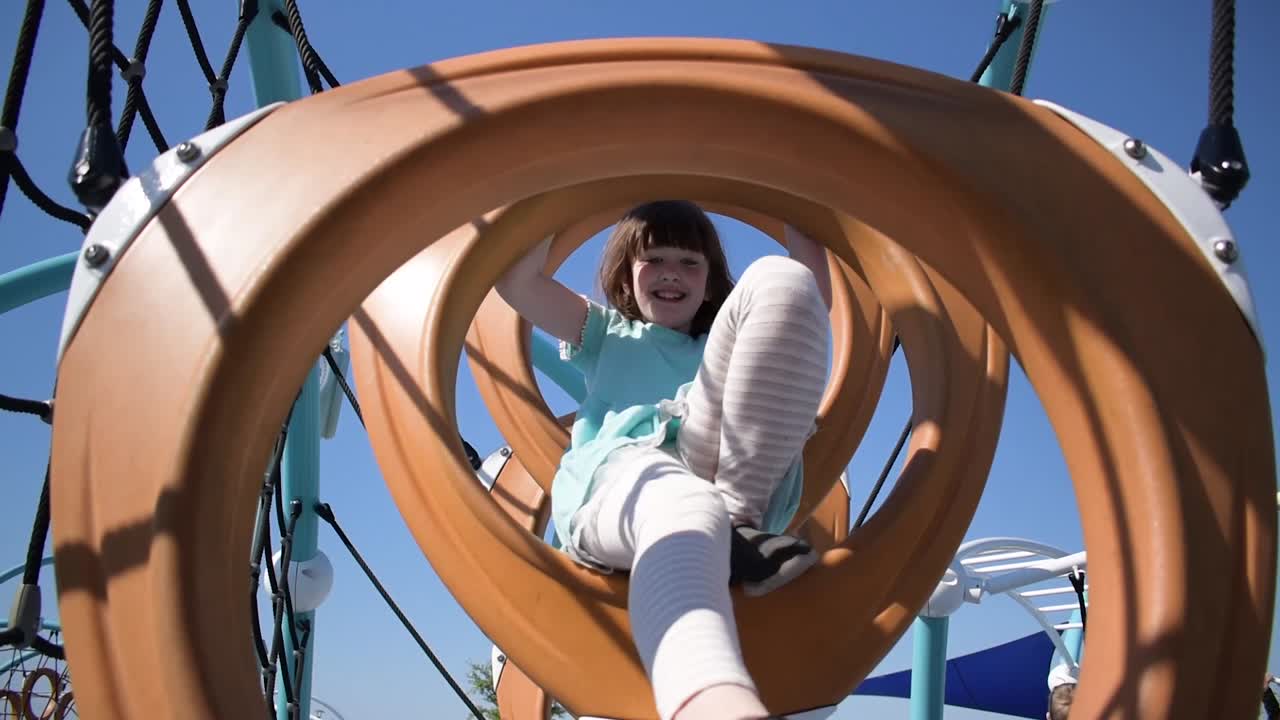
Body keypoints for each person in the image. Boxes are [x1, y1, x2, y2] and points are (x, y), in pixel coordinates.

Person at [495, 200, 833, 720]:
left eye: (690, 262)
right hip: (625, 482)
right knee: (684, 502)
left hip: (722, 473)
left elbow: (809, 293)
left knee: (781, 278)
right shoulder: (606, 334)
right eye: (654, 259)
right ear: (626, 279)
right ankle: (710, 701)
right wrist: (563, 186)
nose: (672, 273)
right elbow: (519, 285)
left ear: (709, 280)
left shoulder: (719, 342)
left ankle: (737, 524)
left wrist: (784, 180)